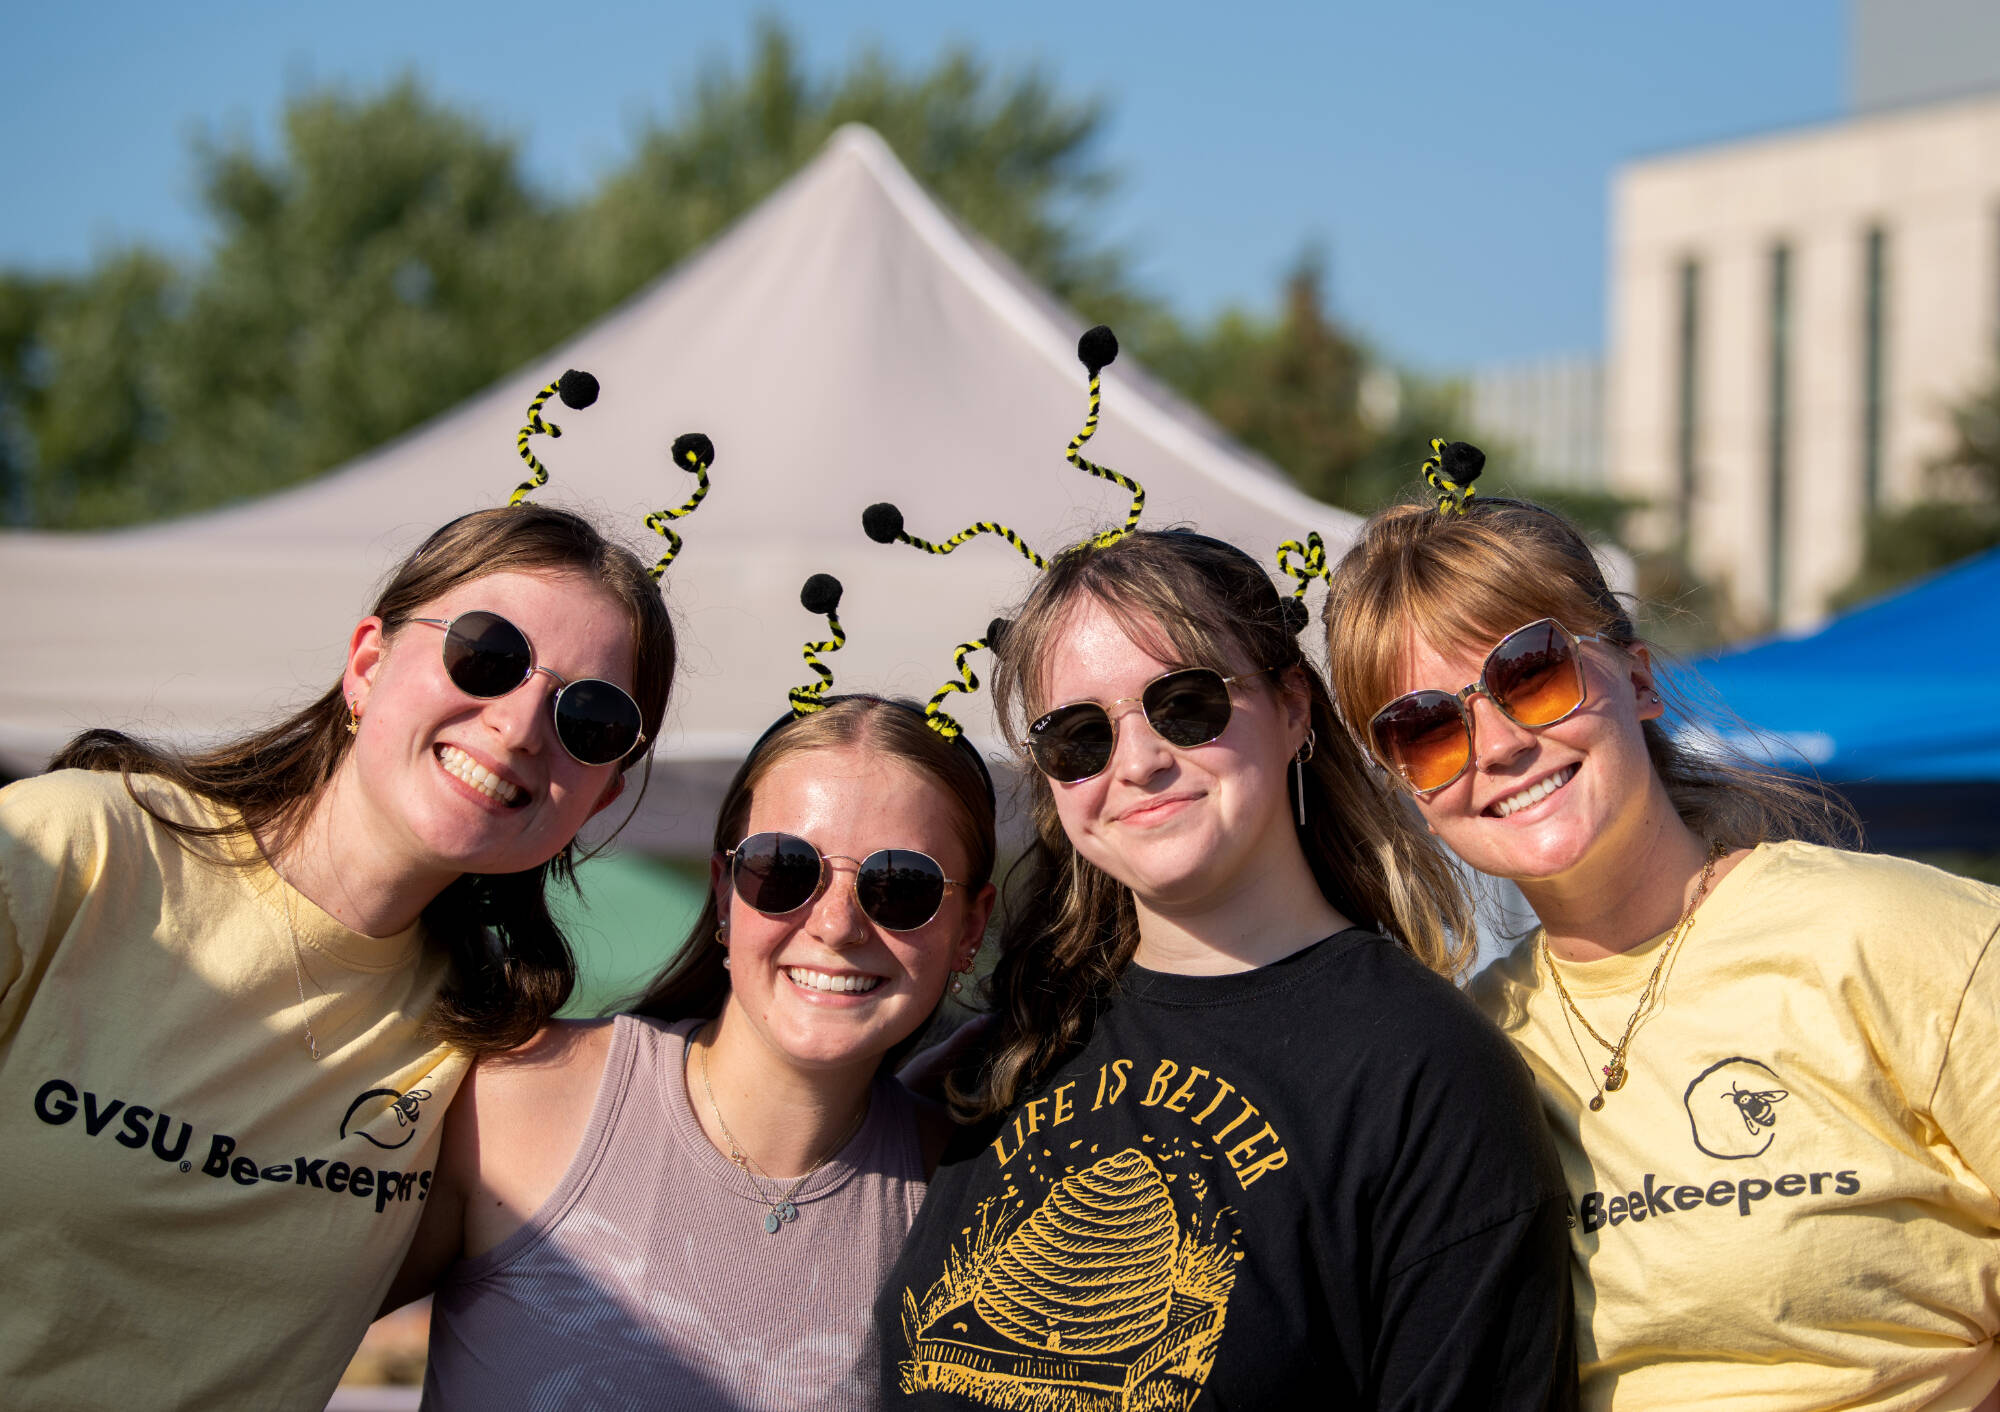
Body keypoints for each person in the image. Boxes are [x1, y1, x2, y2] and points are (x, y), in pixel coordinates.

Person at [1320, 440, 2000, 1411]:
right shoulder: (1464, 1051)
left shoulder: (1905, 939)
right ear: (1408, 788)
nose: (1499, 743)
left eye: (1530, 671)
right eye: (1425, 726)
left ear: (1636, 680)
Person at [876, 528, 1578, 1410]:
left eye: (1187, 704)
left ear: (1294, 708)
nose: (1137, 763)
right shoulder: (1006, 1053)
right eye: (1080, 737)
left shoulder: (1426, 1078)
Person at [0, 498, 677, 1408]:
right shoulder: (74, 850)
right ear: (367, 664)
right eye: (488, 655)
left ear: (597, 799)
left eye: (589, 719)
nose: (519, 727)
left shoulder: (485, 1055)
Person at [394, 632, 999, 1409]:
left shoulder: (973, 1200)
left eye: (900, 886)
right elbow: (257, 1326)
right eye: (785, 870)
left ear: (972, 927)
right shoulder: (515, 1101)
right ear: (724, 892)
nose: (838, 926)